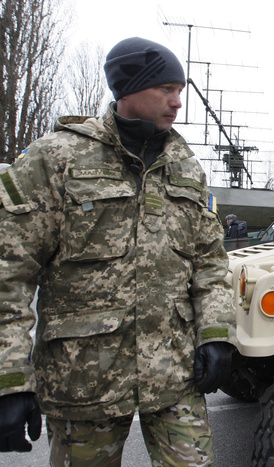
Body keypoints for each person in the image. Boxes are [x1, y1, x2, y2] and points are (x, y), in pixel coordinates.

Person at [0, 37, 236, 465]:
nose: (177, 102)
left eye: (180, 91)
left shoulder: (184, 165)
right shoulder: (58, 158)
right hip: (83, 381)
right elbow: (8, 272)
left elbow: (210, 263)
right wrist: (10, 379)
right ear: (128, 88)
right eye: (166, 89)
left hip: (174, 373)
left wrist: (217, 334)